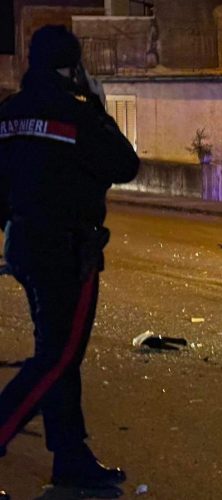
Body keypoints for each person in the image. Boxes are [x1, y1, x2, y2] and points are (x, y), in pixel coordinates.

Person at [0, 25, 139, 496]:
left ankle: (71, 457)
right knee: (57, 360)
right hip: (67, 252)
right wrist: (98, 106)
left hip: (24, 246)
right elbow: (125, 165)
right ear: (72, 67)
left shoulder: (8, 114)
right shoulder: (77, 116)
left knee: (57, 354)